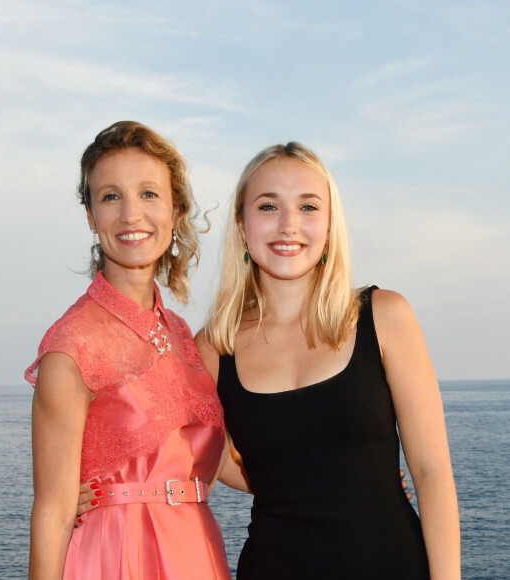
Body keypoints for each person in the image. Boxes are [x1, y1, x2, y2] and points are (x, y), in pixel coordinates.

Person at [194, 142, 460, 579]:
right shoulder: (214, 346)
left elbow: (432, 473)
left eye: (308, 206)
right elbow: (200, 460)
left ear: (330, 223)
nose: (288, 225)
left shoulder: (385, 316)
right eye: (268, 206)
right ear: (242, 226)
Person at [25, 121, 231, 579]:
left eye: (149, 194)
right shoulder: (73, 346)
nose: (131, 214)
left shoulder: (182, 337)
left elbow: (235, 466)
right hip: (117, 559)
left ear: (175, 210)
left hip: (196, 554)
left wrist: (358, 476)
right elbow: (53, 515)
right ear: (91, 215)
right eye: (111, 196)